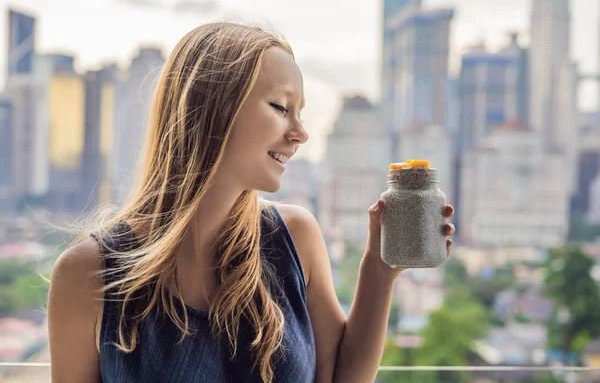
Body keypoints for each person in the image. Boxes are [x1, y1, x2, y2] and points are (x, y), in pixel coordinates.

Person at [48, 22, 455, 383]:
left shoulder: (294, 237)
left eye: (300, 113)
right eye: (281, 107)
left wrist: (380, 270)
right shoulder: (86, 274)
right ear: (213, 109)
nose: (300, 133)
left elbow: (340, 377)